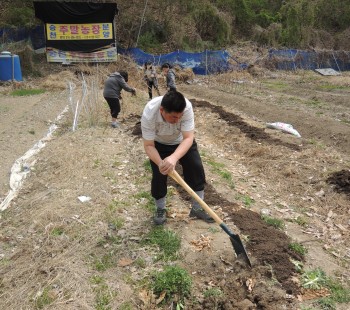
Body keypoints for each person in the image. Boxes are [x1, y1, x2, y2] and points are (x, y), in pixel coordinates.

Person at [141, 90, 214, 225]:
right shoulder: (149, 113)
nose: (178, 120)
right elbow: (148, 145)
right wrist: (161, 163)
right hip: (159, 144)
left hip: (181, 142)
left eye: (180, 117)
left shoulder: (186, 107)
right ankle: (160, 209)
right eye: (174, 117)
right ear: (162, 110)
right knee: (159, 175)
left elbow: (188, 137)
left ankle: (198, 208)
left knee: (196, 168)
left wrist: (174, 158)